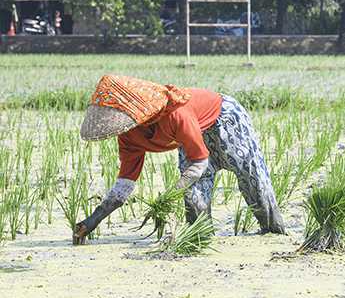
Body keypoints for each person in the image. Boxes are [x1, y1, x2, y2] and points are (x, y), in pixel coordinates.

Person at [73, 74, 285, 244]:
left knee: (251, 177)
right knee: (193, 195)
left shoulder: (175, 114)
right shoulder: (129, 136)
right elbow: (125, 183)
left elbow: (199, 160)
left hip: (224, 119)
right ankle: (200, 239)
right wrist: (95, 219)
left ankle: (274, 232)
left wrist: (171, 193)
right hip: (191, 135)